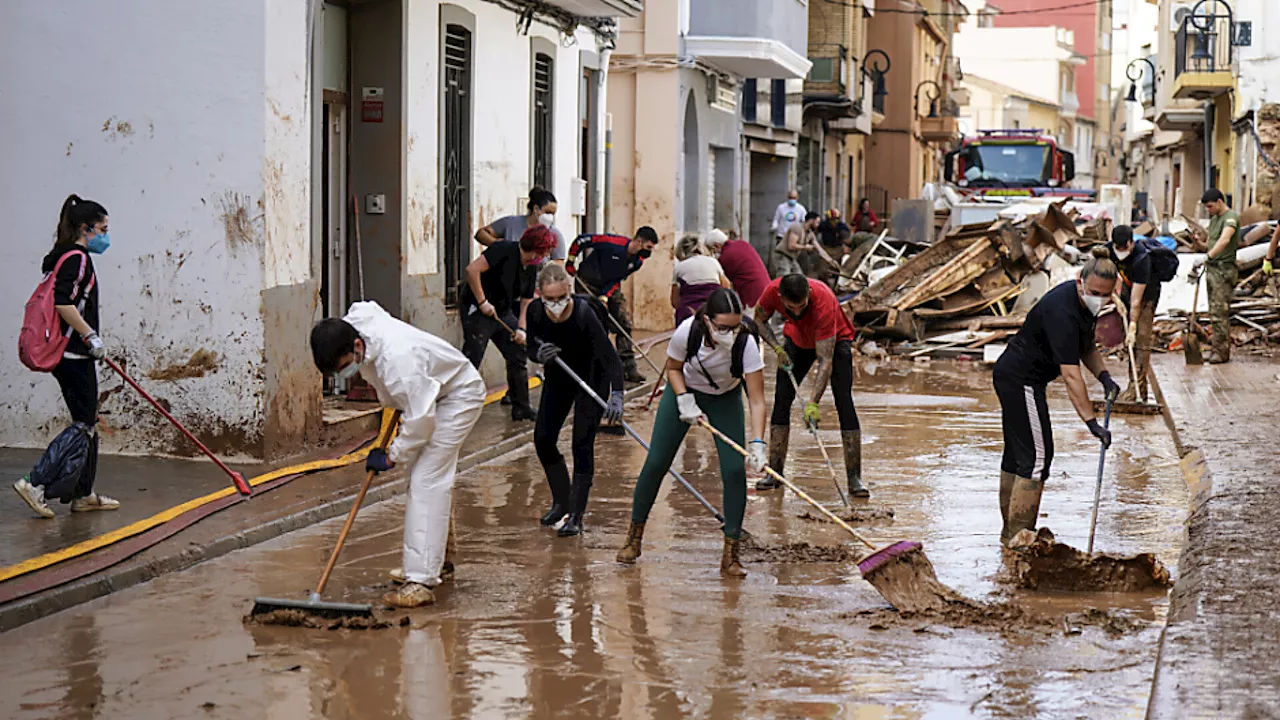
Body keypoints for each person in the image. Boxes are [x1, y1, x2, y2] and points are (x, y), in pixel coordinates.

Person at [310, 301, 487, 607]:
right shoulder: (359, 329)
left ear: (356, 344)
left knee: (427, 480)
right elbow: (367, 307)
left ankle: (420, 581)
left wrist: (392, 455)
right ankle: (438, 557)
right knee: (423, 477)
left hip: (457, 396)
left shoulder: (398, 362)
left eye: (345, 366)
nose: (348, 373)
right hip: (430, 394)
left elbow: (420, 421)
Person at [616, 288, 768, 577]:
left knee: (735, 471)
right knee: (657, 462)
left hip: (726, 398)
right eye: (722, 327)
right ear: (708, 320)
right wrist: (684, 397)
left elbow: (757, 398)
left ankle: (731, 556)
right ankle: (633, 539)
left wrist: (758, 441)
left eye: (734, 327)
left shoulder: (746, 341)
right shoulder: (688, 332)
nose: (728, 333)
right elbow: (673, 368)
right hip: (683, 393)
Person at [993, 251, 1121, 545]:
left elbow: (1086, 346)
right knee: (1037, 459)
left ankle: (1010, 537)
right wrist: (1091, 423)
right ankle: (1019, 540)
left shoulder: (1085, 308)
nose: (1099, 300)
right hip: (1021, 379)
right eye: (1093, 293)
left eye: (1105, 295)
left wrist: (1104, 377)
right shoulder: (1062, 311)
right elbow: (1071, 374)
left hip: (1018, 377)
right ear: (1080, 283)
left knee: (1018, 456)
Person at [14, 195, 119, 517]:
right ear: (86, 229)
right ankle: (36, 481)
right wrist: (89, 335)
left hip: (74, 354)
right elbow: (63, 303)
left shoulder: (62, 257)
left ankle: (83, 493)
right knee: (83, 423)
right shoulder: (77, 258)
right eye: (102, 229)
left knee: (87, 422)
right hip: (73, 354)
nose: (105, 235)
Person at [525, 263, 624, 536]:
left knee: (581, 443)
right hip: (560, 375)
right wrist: (538, 354)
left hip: (592, 378)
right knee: (543, 439)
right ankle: (561, 501)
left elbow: (610, 357)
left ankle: (576, 515)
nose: (556, 305)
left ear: (569, 292)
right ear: (540, 295)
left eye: (561, 298)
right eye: (550, 300)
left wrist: (617, 395)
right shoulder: (535, 312)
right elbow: (531, 345)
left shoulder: (583, 314)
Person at [754, 274, 868, 499]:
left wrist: (813, 404)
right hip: (796, 341)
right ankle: (775, 473)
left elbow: (825, 360)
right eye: (790, 308)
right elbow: (758, 320)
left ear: (809, 296)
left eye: (802, 306)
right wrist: (777, 348)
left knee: (844, 402)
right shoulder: (771, 291)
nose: (796, 312)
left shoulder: (823, 299)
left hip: (836, 343)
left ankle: (855, 478)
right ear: (781, 298)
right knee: (781, 401)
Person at [460, 225, 558, 421]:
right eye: (544, 251)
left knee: (517, 353)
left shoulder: (531, 266)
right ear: (534, 247)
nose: (545, 256)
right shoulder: (503, 250)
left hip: (503, 312)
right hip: (478, 309)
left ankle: (521, 406)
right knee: (473, 355)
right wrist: (482, 302)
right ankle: (455, 406)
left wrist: (522, 327)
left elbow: (526, 300)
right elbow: (472, 270)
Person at [566, 227, 659, 383]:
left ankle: (628, 368)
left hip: (609, 286)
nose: (649, 252)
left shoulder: (637, 262)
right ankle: (589, 367)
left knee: (624, 322)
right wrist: (570, 260)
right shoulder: (612, 243)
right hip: (587, 282)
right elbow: (582, 240)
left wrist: (605, 296)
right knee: (592, 322)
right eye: (648, 247)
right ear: (639, 241)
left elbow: (618, 280)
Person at [1107, 225, 1169, 402]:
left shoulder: (1142, 258)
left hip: (1147, 294)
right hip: (1126, 291)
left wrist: (1133, 324)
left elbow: (1137, 301)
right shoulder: (1108, 251)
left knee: (1140, 339)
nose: (1120, 252)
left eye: (1124, 248)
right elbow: (1103, 274)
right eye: (1117, 248)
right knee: (1129, 342)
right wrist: (1115, 298)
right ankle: (1135, 388)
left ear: (1131, 243)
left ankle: (1138, 390)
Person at [1197, 189, 1240, 364]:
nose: (1208, 210)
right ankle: (1216, 348)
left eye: (1210, 206)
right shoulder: (1214, 220)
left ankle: (1222, 352)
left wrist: (1208, 256)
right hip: (1212, 268)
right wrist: (1198, 243)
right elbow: (1209, 243)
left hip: (1223, 270)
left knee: (1220, 312)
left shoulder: (1230, 218)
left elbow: (1224, 240)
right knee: (1213, 312)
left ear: (1220, 202)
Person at [474, 187, 568, 261]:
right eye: (547, 212)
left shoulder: (555, 235)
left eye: (552, 214)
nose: (550, 217)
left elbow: (558, 265)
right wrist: (500, 245)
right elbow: (481, 234)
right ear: (536, 209)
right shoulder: (511, 223)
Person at [703, 228, 770, 318]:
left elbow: (722, 284)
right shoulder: (742, 244)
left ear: (717, 246)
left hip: (752, 299)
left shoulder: (725, 258)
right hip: (766, 291)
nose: (713, 254)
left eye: (712, 250)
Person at [671, 234, 731, 324]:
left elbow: (675, 301)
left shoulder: (679, 267)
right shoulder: (713, 262)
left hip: (687, 314)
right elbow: (726, 287)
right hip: (713, 311)